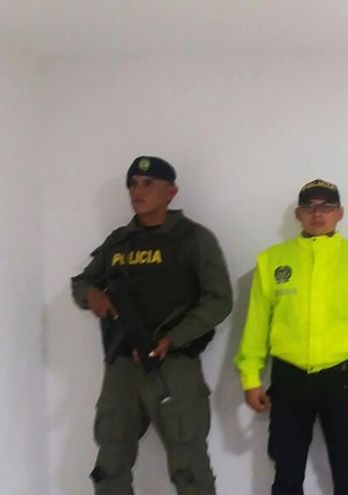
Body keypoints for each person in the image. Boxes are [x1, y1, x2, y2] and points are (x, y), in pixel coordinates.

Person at [71, 155, 233, 495]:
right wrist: (91, 295)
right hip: (122, 368)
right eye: (132, 184)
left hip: (172, 365)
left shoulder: (193, 238)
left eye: (148, 184)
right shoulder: (119, 241)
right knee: (110, 466)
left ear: (171, 192)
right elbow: (82, 282)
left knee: (189, 469)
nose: (137, 191)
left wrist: (174, 338)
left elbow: (219, 300)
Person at [235, 179, 348, 495]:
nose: (318, 214)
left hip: (344, 380)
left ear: (340, 213)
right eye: (309, 207)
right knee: (286, 474)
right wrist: (250, 377)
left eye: (326, 206)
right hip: (290, 380)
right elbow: (256, 324)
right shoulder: (272, 261)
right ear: (298, 214)